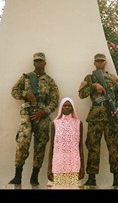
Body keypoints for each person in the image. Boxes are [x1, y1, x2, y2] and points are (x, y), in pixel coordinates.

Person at [9, 52, 60, 185]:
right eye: (36, 61)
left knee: (40, 145)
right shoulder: (25, 77)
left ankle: (34, 176)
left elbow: (55, 100)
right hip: (27, 113)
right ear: (33, 63)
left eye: (41, 61)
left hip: (42, 116)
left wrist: (45, 111)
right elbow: (14, 92)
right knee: (23, 141)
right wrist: (26, 94)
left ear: (45, 63)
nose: (38, 63)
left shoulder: (50, 81)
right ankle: (17, 176)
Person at [78, 53, 118, 187]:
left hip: (111, 117)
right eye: (97, 61)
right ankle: (91, 178)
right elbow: (81, 94)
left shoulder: (113, 79)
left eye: (102, 61)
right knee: (93, 147)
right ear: (94, 63)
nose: (100, 63)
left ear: (105, 63)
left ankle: (117, 177)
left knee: (114, 147)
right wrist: (94, 86)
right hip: (95, 118)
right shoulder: (90, 78)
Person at [47, 97, 85, 187]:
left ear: (73, 108)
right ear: (61, 107)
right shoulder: (55, 123)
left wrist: (82, 167)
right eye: (65, 105)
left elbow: (80, 146)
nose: (67, 107)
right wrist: (49, 168)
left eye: (69, 106)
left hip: (74, 164)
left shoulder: (78, 123)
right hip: (58, 164)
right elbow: (52, 146)